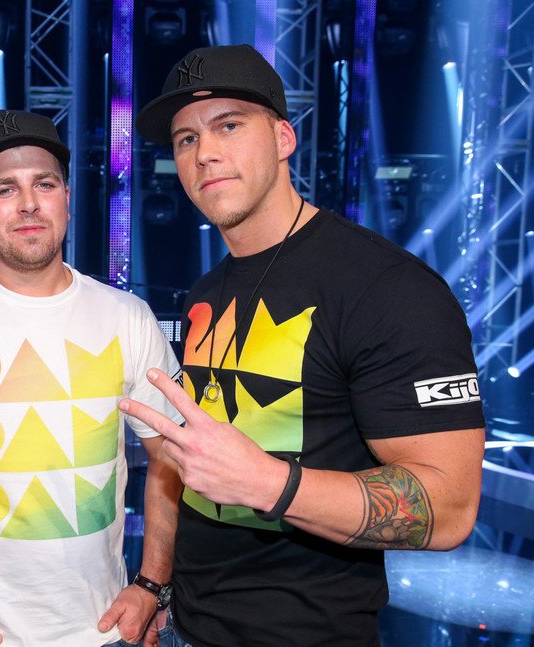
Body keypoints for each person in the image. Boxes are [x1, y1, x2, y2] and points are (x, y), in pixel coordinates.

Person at [119, 44, 486, 646]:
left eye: (228, 126)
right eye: (186, 139)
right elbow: (185, 468)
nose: (204, 153)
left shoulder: (386, 287)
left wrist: (268, 483)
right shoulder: (207, 292)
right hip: (191, 627)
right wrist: (156, 585)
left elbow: (449, 509)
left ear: (283, 138)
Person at [0, 109, 185, 646]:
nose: (28, 203)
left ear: (67, 197)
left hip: (106, 631)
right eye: (5, 189)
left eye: (44, 184)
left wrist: (153, 583)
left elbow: (169, 454)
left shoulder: (127, 316)